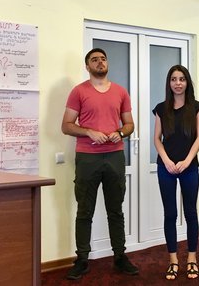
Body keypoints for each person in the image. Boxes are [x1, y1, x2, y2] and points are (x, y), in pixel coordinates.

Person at [61, 48, 139, 280]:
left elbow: (129, 124)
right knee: (85, 210)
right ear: (87, 66)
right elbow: (66, 125)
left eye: (103, 59)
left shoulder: (120, 92)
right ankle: (82, 259)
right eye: (94, 60)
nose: (99, 62)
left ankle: (120, 256)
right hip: (87, 158)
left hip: (115, 156)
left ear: (107, 64)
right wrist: (88, 132)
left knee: (116, 210)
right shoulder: (78, 91)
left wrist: (120, 133)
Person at [152, 65, 199, 280]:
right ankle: (173, 260)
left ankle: (192, 258)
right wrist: (166, 161)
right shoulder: (161, 108)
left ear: (187, 82)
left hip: (189, 167)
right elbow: (157, 138)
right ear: (169, 83)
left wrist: (186, 160)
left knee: (191, 213)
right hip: (166, 168)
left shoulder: (197, 107)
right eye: (174, 79)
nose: (178, 83)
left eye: (182, 79)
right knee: (170, 214)